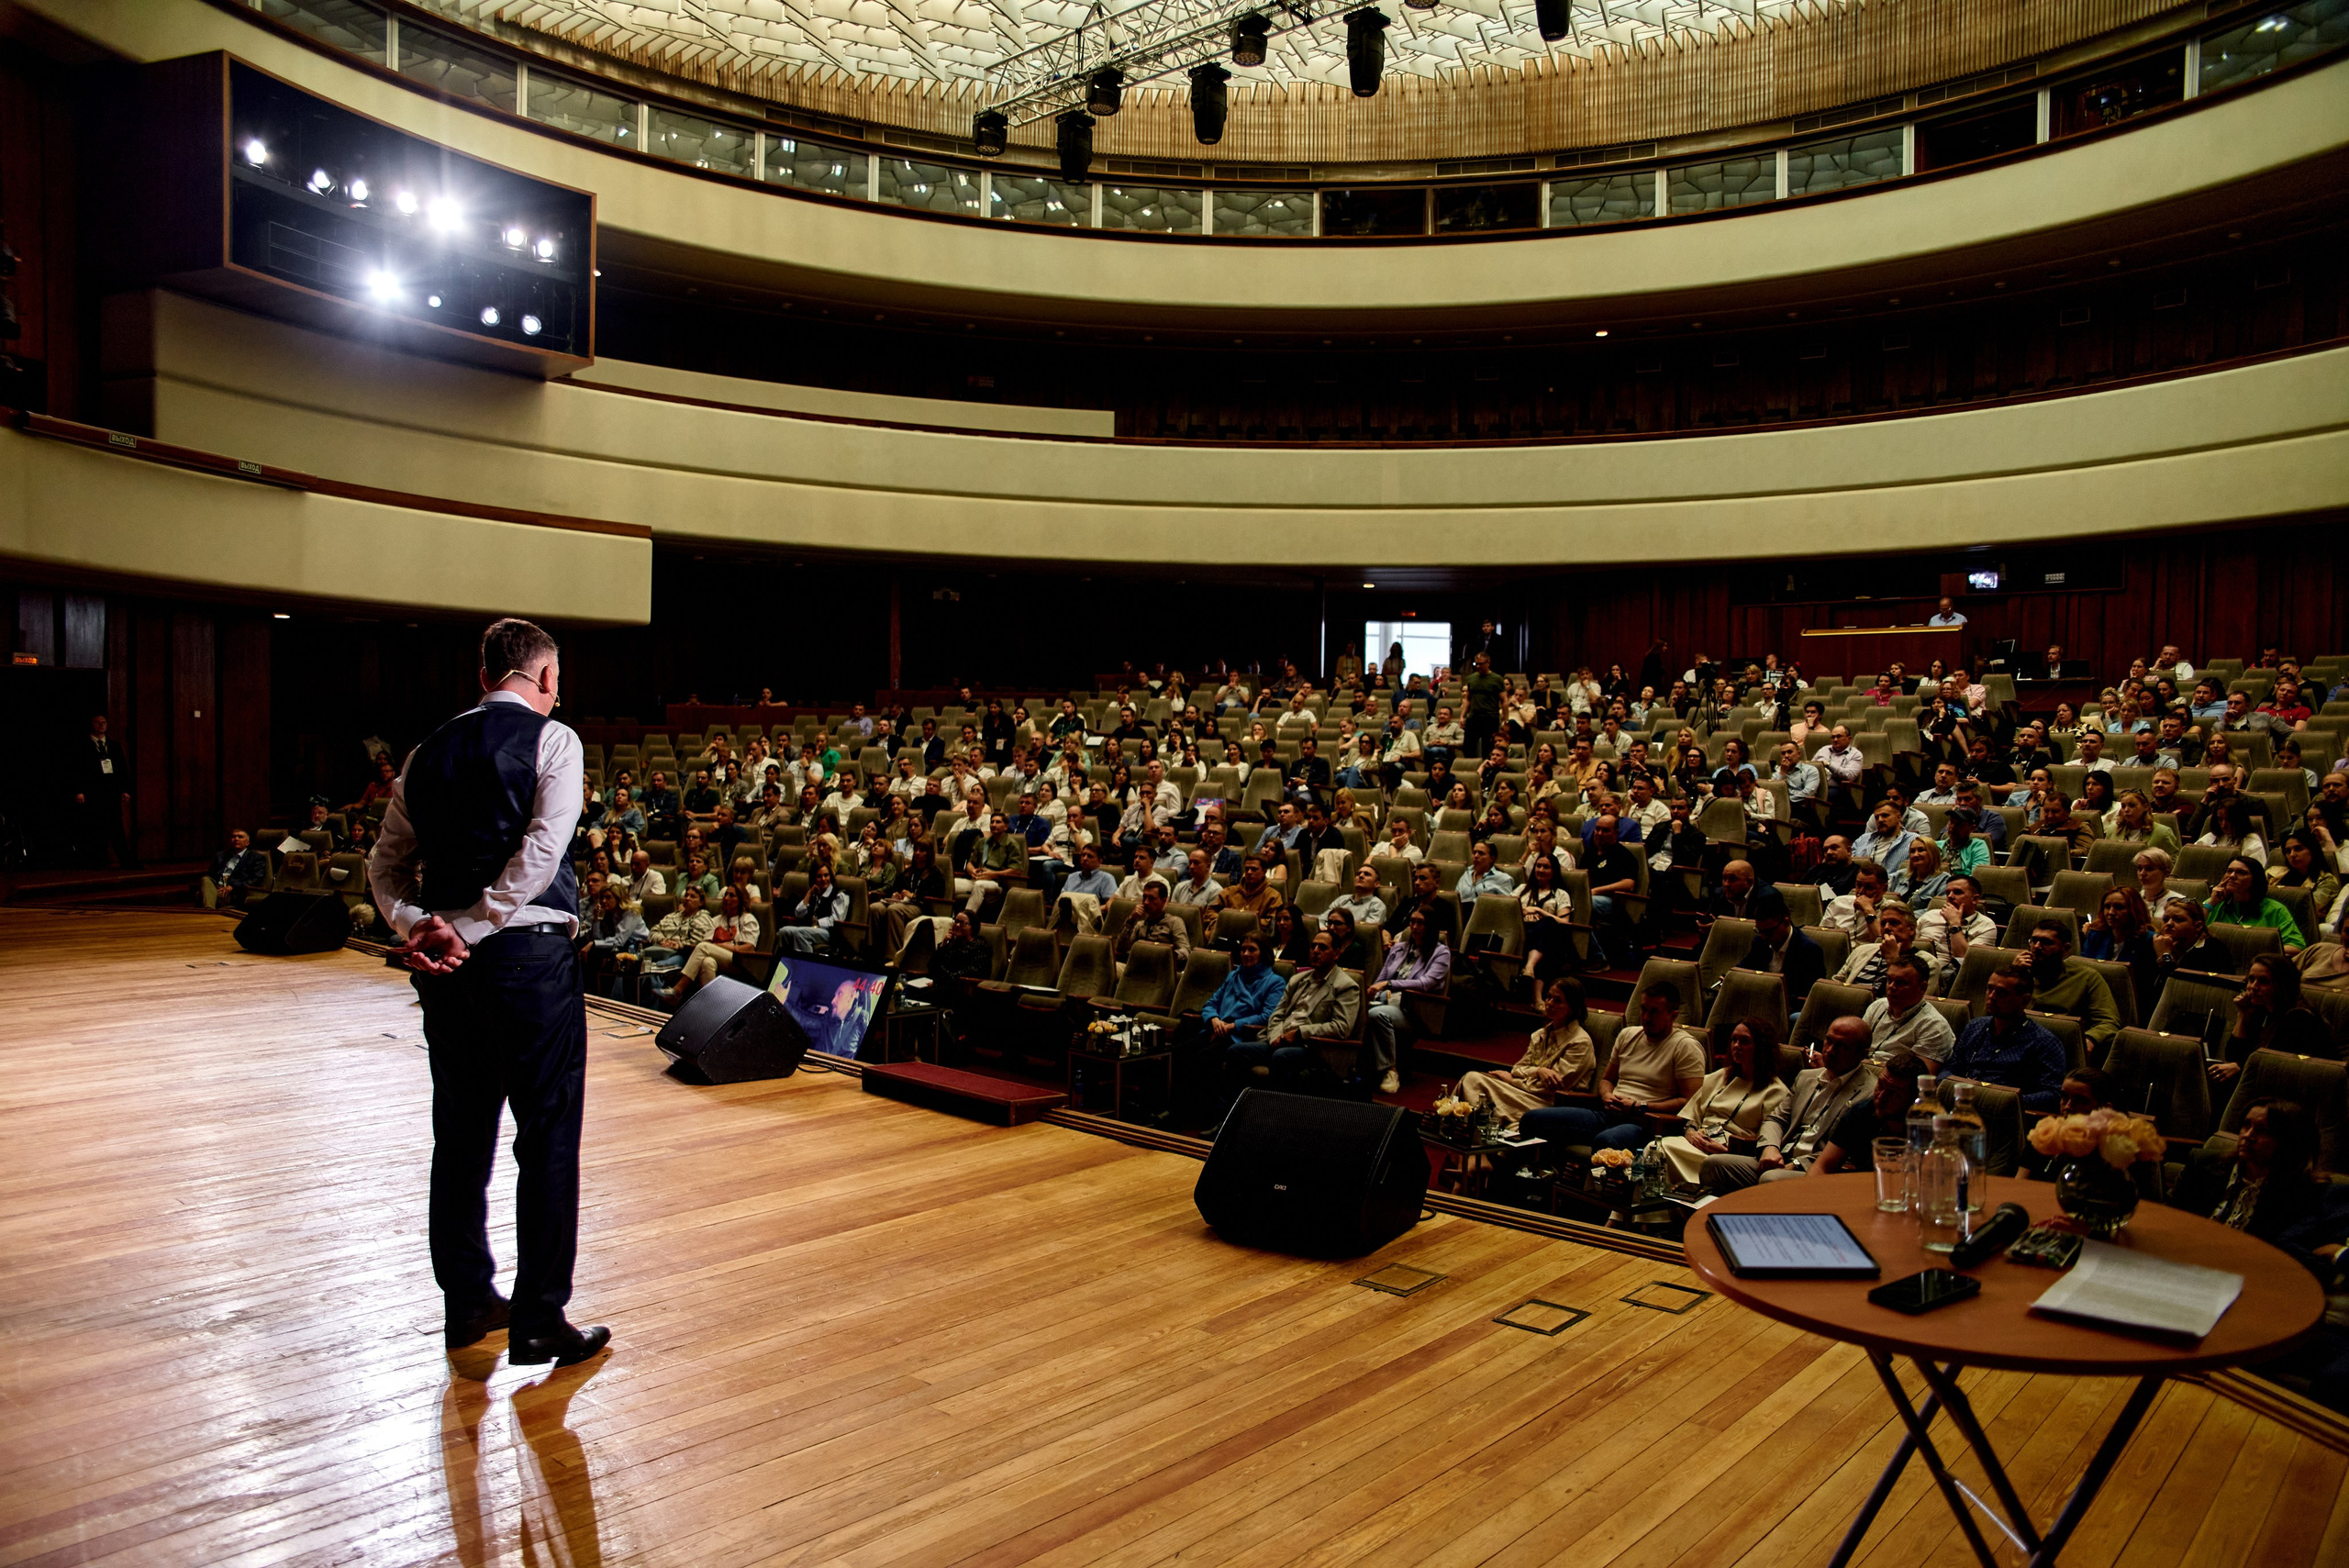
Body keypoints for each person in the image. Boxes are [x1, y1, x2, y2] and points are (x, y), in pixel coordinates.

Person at [364, 617, 608, 1367]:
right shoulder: (553, 739)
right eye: (555, 679)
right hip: (527, 960)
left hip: (450, 972)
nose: (556, 691)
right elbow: (542, 850)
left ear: (482, 678)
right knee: (547, 1137)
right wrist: (471, 926)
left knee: (462, 1136)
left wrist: (420, 926)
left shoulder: (425, 750)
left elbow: (384, 867)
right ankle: (539, 1317)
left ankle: (468, 1300)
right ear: (542, 679)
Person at [1520, 984, 1706, 1155]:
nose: (1646, 1018)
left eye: (1654, 1012)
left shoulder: (1685, 1047)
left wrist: (1640, 1107)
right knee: (1532, 1120)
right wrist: (1607, 1095)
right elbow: (1607, 1080)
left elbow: (1690, 1103)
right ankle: (1540, 1178)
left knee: (1606, 1141)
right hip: (1607, 1114)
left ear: (1673, 1015)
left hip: (1644, 1123)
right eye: (1643, 1009)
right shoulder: (1628, 1035)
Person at [1701, 1018, 1876, 1190]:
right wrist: (1770, 1148)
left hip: (1816, 1171)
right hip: (1780, 1159)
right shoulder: (1806, 1077)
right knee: (1713, 1165)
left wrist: (1797, 1164)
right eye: (1829, 1040)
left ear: (1862, 1053)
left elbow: (1846, 1154)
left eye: (1841, 1046)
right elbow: (1776, 1119)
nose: (1830, 1050)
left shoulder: (1869, 1093)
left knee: (1771, 1179)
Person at [1221, 929, 1363, 1103]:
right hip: (1280, 1041)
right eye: (1313, 946)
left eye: (1323, 948)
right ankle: (1229, 1115)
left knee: (1281, 1057)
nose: (1316, 951)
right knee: (1236, 1052)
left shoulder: (1346, 986)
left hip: (1314, 1048)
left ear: (1336, 953)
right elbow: (1277, 1014)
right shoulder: (1298, 979)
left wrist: (1299, 1033)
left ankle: (1272, 1115)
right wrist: (1275, 1036)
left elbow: (1342, 1028)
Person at [1656, 1018, 1791, 1186]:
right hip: (1698, 1141)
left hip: (1730, 1153)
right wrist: (1690, 1132)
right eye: (1734, 1040)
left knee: (1663, 1151)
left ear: (1761, 1048)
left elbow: (1768, 1139)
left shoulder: (1775, 1090)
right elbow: (1692, 1114)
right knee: (1655, 1149)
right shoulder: (1721, 1076)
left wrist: (1728, 1151)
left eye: (1745, 1042)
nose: (1736, 1046)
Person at [2170, 1098, 2327, 1242]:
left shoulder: (2302, 1193)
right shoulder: (2202, 1164)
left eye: (2263, 1131)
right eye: (2246, 1125)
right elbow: (2169, 1217)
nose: (2248, 1135)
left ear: (2288, 1142)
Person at [1456, 982, 1597, 1131]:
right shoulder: (1540, 1035)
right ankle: (1466, 1143)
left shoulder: (1580, 1042)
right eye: (1548, 997)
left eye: (1558, 1001)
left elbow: (1553, 1088)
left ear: (1572, 1009)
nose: (1549, 1003)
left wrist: (1513, 1081)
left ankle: (1469, 1144)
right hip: (1526, 1093)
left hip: (1551, 1103)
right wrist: (1538, 1071)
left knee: (1473, 1082)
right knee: (1471, 1079)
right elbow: (1518, 1068)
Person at [1945, 961, 2069, 1112]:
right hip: (1960, 1105)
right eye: (1990, 989)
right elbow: (1950, 1069)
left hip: (2004, 1114)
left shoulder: (2044, 1042)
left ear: (2024, 1000)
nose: (1992, 997)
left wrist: (2003, 1101)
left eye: (2001, 993)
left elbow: (2053, 1094)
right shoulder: (1975, 1026)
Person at [1362, 906, 1452, 1095]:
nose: (1415, 926)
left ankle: (1390, 1070)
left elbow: (1426, 983)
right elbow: (1381, 978)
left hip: (1416, 1011)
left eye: (1421, 923)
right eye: (1412, 922)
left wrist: (1390, 984)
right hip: (1387, 1001)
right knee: (1359, 1010)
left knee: (1377, 1014)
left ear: (1431, 926)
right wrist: (1373, 993)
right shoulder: (1400, 948)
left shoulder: (1440, 952)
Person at [2209, 954, 2332, 1088]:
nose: (2253, 987)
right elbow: (2233, 1055)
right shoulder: (2262, 1009)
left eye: (2263, 981)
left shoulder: (2299, 1019)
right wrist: (2243, 1014)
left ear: (2281, 985)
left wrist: (2239, 1066)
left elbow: (2278, 1066)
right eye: (2251, 979)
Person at [1810, 1050, 1930, 1174]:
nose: (1881, 1097)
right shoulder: (1861, 1113)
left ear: (1914, 1099)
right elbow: (1823, 1166)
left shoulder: (1928, 1128)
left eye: (1893, 1093)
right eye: (1880, 1086)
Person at [1731, 889, 1828, 1001]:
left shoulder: (1809, 951)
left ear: (1786, 922)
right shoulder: (1760, 942)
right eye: (1759, 931)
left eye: (1768, 932)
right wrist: (1731, 977)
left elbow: (1810, 996)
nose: (1763, 937)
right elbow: (1743, 969)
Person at [2207, 853, 2308, 952]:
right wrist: (2211, 903)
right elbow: (2193, 933)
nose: (2232, 876)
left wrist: (2255, 949)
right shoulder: (2215, 903)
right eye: (2229, 871)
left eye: (2241, 872)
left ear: (2255, 880)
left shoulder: (2275, 909)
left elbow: (2296, 946)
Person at [72, 711, 137, 868]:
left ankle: (126, 861)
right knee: (94, 827)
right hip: (92, 793)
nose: (101, 725)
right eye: (97, 722)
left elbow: (122, 769)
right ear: (91, 725)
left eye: (104, 722)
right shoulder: (82, 746)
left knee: (116, 827)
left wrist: (125, 790)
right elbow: (76, 770)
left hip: (111, 793)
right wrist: (79, 791)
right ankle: (95, 861)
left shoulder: (114, 746)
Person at [1861, 956, 1954, 1062]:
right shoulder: (1877, 1006)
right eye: (1889, 980)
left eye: (1901, 983)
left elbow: (1922, 1076)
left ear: (1922, 988)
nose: (1891, 987)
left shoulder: (1934, 1026)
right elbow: (1855, 1047)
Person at [777, 859, 850, 954]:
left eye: (826, 875)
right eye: (819, 876)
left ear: (831, 876)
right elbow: (798, 914)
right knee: (784, 931)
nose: (823, 879)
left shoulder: (839, 895)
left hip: (831, 933)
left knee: (800, 933)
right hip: (812, 930)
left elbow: (836, 921)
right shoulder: (814, 895)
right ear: (814, 879)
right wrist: (809, 893)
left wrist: (816, 922)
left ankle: (806, 967)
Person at [1113, 879, 1191, 965]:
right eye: (1144, 897)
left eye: (1151, 898)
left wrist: (1163, 955)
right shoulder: (1140, 924)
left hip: (1160, 969)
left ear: (1163, 901)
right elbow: (1120, 948)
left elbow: (1185, 952)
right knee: (1110, 966)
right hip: (1136, 967)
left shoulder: (1174, 922)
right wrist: (1131, 920)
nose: (1146, 902)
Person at [200, 828, 270, 909]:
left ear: (247, 842)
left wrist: (232, 886)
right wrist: (216, 887)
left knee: (207, 896)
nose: (236, 839)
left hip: (235, 892)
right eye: (234, 837)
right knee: (206, 879)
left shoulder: (255, 858)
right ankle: (209, 909)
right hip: (217, 888)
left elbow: (256, 879)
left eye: (240, 837)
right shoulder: (221, 855)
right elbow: (211, 874)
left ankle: (208, 910)